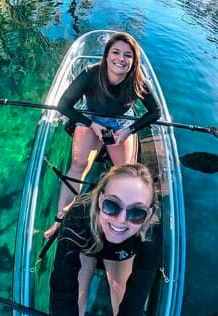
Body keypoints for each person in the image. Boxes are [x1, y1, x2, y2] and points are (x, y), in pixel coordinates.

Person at [44, 32, 161, 238]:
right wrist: (92, 125)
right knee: (78, 165)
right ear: (106, 56)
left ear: (133, 62)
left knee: (125, 173)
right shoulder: (90, 74)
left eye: (127, 55)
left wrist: (128, 130)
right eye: (115, 52)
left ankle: (118, 219)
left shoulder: (137, 79)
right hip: (91, 119)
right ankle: (59, 220)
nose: (121, 59)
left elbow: (155, 112)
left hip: (121, 124)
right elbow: (64, 105)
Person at [50, 163, 162, 316]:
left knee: (124, 297)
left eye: (137, 212)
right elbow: (63, 287)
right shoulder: (77, 219)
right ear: (100, 199)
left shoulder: (151, 232)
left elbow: (138, 292)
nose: (121, 220)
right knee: (75, 298)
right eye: (112, 205)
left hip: (121, 251)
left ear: (149, 214)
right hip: (88, 244)